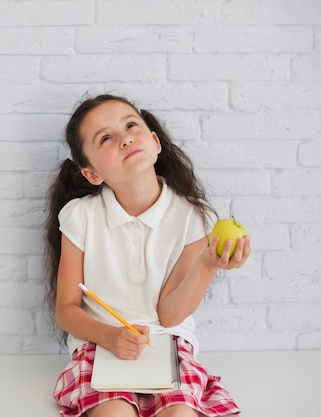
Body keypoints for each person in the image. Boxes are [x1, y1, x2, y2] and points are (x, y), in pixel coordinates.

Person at [43, 94, 251, 417]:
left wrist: (209, 263)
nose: (125, 138)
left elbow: (169, 315)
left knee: (180, 413)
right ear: (92, 174)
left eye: (130, 125)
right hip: (100, 346)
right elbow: (67, 311)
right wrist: (111, 337)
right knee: (113, 413)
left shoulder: (195, 217)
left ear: (155, 142)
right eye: (106, 138)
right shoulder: (80, 217)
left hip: (169, 345)